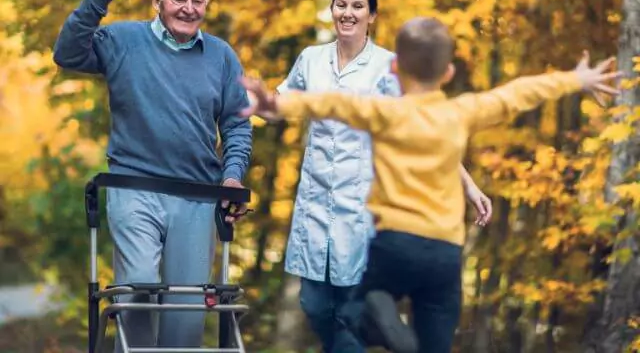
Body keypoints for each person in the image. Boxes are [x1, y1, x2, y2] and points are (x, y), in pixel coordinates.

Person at [239, 17, 620, 353]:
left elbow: (328, 104)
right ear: (448, 73)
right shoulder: (460, 113)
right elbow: (517, 94)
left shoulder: (383, 111)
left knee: (351, 312)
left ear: (393, 67)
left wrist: (274, 105)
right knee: (434, 343)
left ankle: (383, 321)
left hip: (393, 245)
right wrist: (577, 79)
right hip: (443, 253)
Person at [275, 0, 491, 353]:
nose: (348, 13)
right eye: (341, 4)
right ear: (331, 9)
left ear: (372, 15)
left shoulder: (388, 67)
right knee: (314, 304)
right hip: (313, 208)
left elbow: (425, 127)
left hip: (363, 209)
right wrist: (238, 104)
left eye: (358, 6)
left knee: (351, 310)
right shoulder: (310, 59)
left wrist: (468, 185)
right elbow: (278, 103)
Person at [52, 0, 252, 350]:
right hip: (134, 186)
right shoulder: (124, 38)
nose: (189, 8)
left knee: (187, 307)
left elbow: (236, 124)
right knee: (137, 291)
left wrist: (232, 175)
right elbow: (67, 53)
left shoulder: (221, 55)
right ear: (157, 1)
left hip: (198, 195)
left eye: (198, 1)